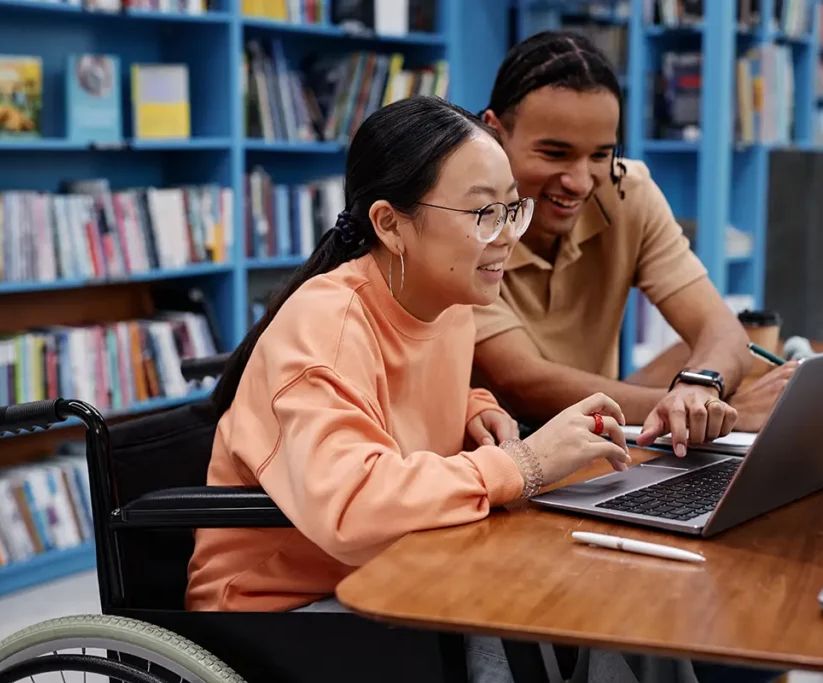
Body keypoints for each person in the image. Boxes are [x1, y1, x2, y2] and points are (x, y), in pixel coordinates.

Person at [184, 95, 651, 681]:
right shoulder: (326, 325)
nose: (508, 235)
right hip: (282, 608)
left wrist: (473, 408)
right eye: (484, 213)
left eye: (513, 209)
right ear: (390, 224)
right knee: (516, 610)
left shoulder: (445, 299)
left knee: (603, 590)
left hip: (395, 561)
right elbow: (354, 507)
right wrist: (522, 464)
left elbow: (399, 393)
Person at [472, 30, 798, 458]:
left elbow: (721, 331)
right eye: (554, 153)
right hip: (496, 459)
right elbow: (523, 382)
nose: (580, 182)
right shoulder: (462, 216)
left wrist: (700, 388)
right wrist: (717, 411)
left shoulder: (628, 191)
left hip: (598, 446)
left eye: (600, 155)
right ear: (494, 133)